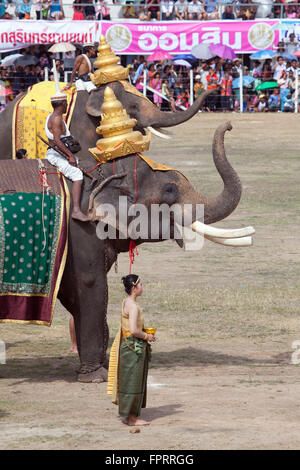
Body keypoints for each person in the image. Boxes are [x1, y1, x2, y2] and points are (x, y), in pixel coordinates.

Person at [107, 274, 155, 426]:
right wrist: (147, 336)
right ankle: (131, 418)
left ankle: (128, 415)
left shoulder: (126, 302)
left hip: (127, 345)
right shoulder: (133, 307)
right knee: (133, 381)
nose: (142, 287)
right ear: (134, 288)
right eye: (140, 285)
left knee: (128, 380)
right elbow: (134, 330)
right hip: (133, 346)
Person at [45, 84, 90, 222]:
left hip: (61, 152)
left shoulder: (53, 116)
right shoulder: (57, 119)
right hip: (57, 155)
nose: (66, 106)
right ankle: (76, 210)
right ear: (62, 104)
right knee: (77, 174)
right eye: (65, 103)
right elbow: (57, 140)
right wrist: (70, 156)